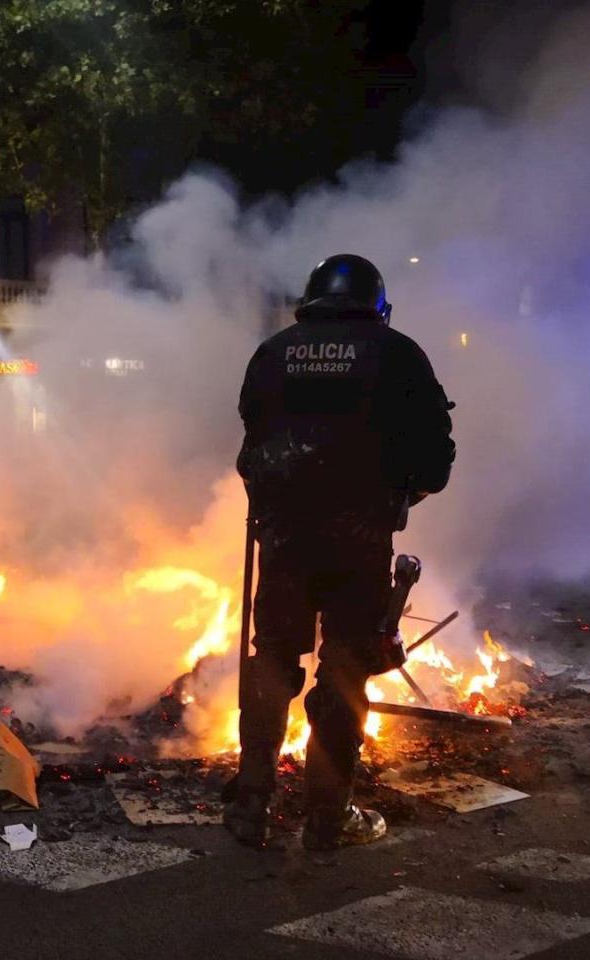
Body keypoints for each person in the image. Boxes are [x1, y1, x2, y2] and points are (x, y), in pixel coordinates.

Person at [227, 254, 455, 851]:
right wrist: (398, 492)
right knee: (346, 668)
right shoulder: (398, 353)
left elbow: (252, 447)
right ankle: (328, 818)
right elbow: (436, 461)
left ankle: (250, 805)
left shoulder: (274, 352)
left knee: (272, 659)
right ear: (377, 306)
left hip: (284, 539)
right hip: (358, 541)